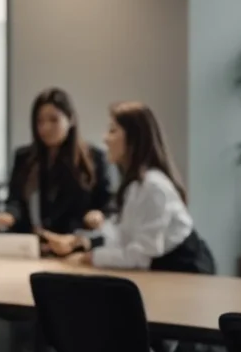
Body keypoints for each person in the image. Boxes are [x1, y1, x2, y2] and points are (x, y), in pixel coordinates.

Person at [48, 102, 216, 274]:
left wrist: (89, 257)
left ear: (134, 139)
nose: (105, 138)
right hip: (165, 269)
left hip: (187, 271)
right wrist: (81, 242)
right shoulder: (134, 185)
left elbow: (139, 257)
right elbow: (123, 236)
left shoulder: (153, 186)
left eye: (113, 131)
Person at [0, 88, 113, 249]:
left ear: (70, 120)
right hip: (32, 245)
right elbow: (15, 200)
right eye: (39, 121)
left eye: (53, 120)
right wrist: (10, 215)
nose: (45, 128)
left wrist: (98, 215)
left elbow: (108, 204)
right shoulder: (25, 158)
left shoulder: (94, 158)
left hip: (74, 245)